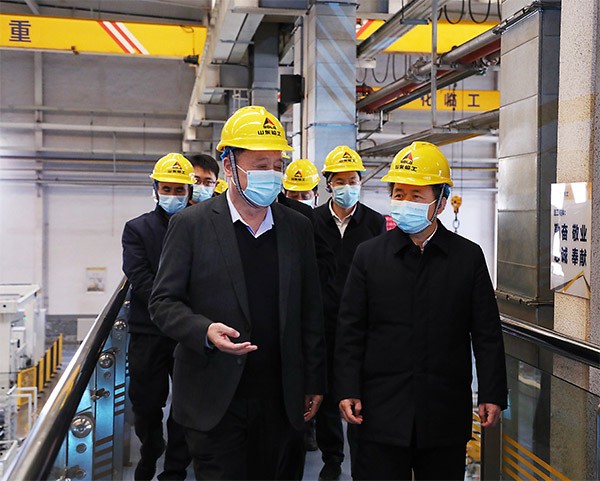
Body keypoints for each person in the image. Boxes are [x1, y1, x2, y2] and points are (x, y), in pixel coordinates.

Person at [149, 105, 327, 481]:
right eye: (260, 165)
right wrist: (204, 330)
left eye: (277, 165)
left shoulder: (297, 228)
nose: (272, 174)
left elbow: (310, 310)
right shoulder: (190, 225)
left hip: (281, 400)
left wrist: (313, 380)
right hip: (215, 399)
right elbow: (163, 302)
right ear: (229, 166)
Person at [335, 141, 508, 481]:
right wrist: (347, 387)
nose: (405, 202)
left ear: (440, 202)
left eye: (416, 195)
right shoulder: (369, 256)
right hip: (379, 410)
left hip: (443, 411)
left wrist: (492, 392)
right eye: (399, 194)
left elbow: (486, 332)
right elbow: (350, 328)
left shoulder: (467, 257)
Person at [312, 145, 386, 481]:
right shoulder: (311, 222)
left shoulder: (374, 222)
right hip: (323, 321)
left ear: (361, 182)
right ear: (328, 183)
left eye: (352, 180)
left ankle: (361, 462)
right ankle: (332, 459)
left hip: (361, 324)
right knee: (327, 392)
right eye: (339, 181)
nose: (346, 187)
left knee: (359, 391)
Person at [121, 153, 195, 481]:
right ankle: (151, 446)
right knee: (146, 402)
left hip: (188, 332)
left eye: (180, 190)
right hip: (148, 329)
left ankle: (175, 467)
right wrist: (171, 307)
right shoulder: (137, 229)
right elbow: (139, 276)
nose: (173, 195)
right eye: (167, 189)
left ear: (189, 192)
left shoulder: (200, 227)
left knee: (185, 403)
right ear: (155, 189)